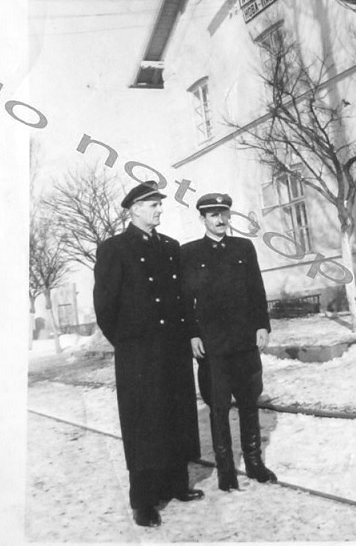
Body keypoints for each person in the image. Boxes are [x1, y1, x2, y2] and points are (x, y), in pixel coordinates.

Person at [93, 180, 204, 528]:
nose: (159, 209)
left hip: (172, 347)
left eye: (159, 204)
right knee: (144, 424)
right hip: (139, 352)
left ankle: (176, 484)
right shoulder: (114, 248)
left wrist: (188, 333)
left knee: (175, 414)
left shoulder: (171, 247)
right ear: (134, 209)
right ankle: (143, 500)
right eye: (152, 204)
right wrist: (128, 342)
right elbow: (105, 306)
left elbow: (184, 296)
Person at [180, 192, 277, 492]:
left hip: (245, 342)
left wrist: (262, 325)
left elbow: (256, 290)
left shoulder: (244, 248)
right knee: (218, 408)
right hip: (213, 347)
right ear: (202, 219)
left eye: (224, 214)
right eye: (213, 215)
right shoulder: (190, 253)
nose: (220, 220)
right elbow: (184, 300)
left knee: (249, 402)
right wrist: (193, 334)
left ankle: (254, 463)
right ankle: (226, 471)